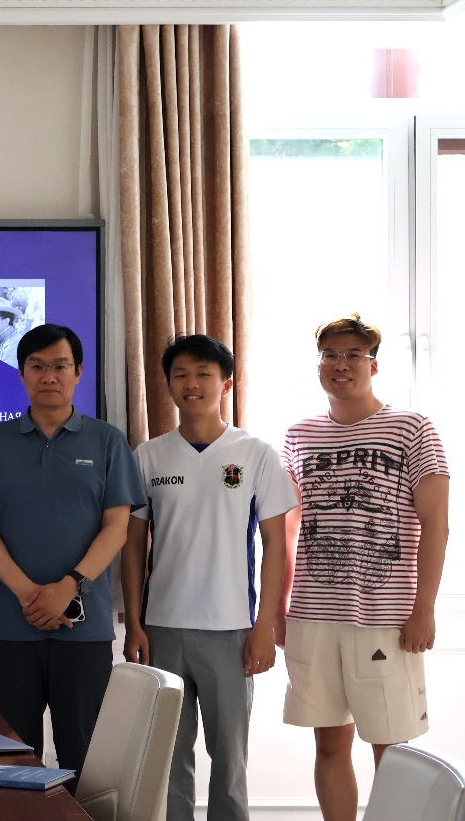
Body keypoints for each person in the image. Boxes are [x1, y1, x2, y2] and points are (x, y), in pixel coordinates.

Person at [277, 314, 449, 821]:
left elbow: (436, 525)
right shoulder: (299, 435)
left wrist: (424, 609)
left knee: (391, 752)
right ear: (318, 366)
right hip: (313, 614)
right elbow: (286, 530)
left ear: (373, 365)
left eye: (353, 355)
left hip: (386, 618)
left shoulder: (412, 428)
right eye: (330, 355)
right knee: (329, 746)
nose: (341, 364)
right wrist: (279, 609)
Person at [122, 335, 299, 821]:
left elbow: (276, 546)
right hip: (163, 628)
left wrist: (265, 626)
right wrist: (134, 623)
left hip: (231, 630)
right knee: (168, 758)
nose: (192, 383)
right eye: (180, 374)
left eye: (204, 373)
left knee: (229, 760)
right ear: (167, 384)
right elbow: (132, 547)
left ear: (226, 383)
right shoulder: (148, 456)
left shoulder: (255, 453)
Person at [0, 323, 143, 782]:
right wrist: (29, 594)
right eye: (37, 366)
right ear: (22, 374)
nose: (49, 376)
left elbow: (117, 528)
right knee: (10, 761)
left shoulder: (107, 441)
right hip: (10, 626)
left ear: (78, 372)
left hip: (85, 628)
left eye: (60, 366)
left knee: (83, 757)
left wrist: (69, 587)